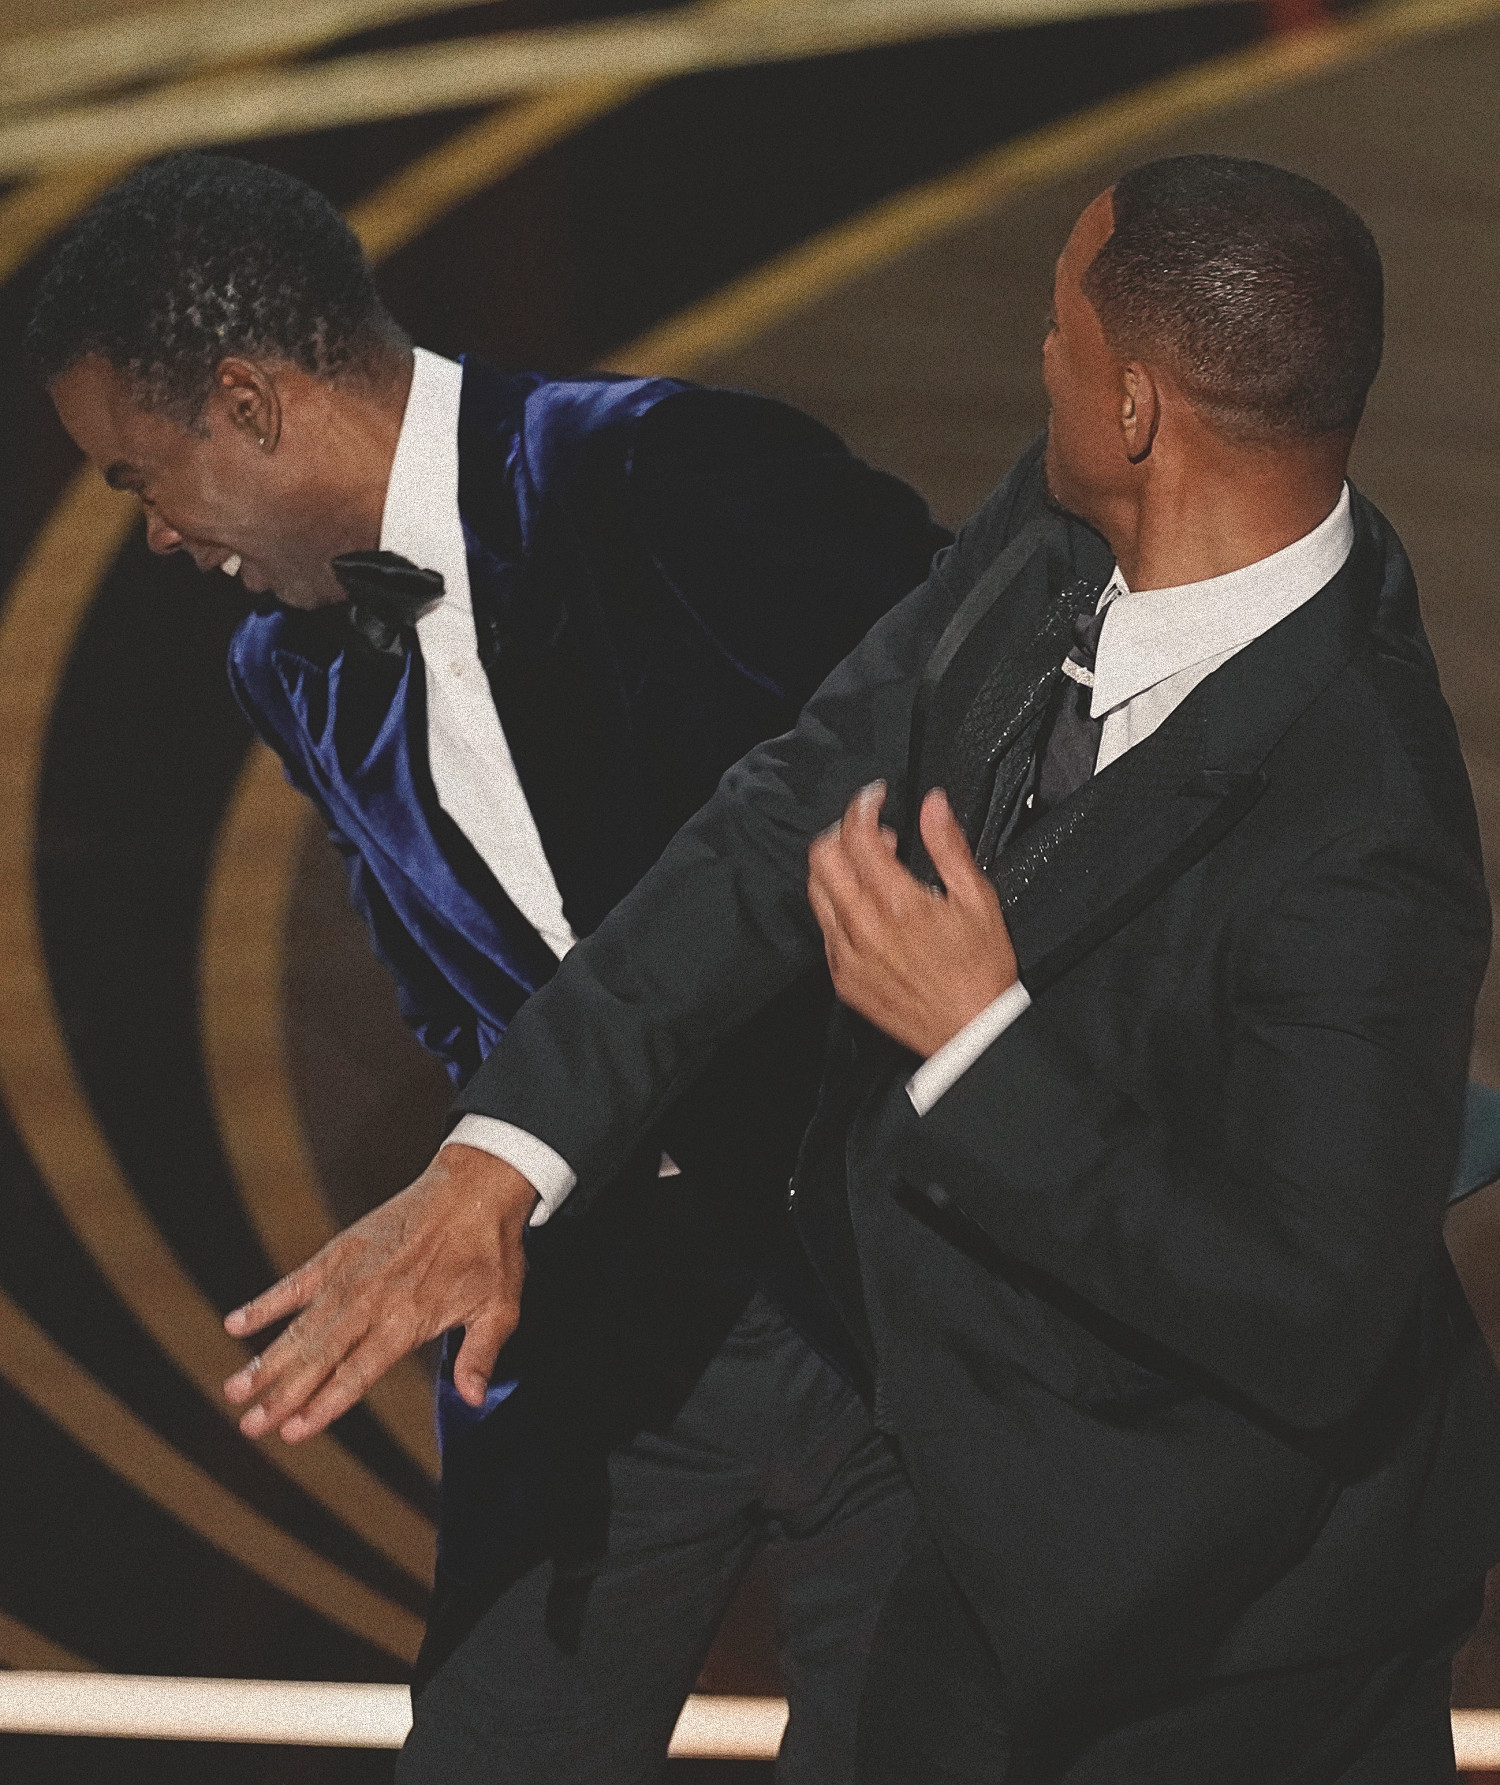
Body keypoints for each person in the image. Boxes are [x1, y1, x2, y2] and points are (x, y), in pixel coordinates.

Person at [210, 154, 1500, 1780]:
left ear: (1138, 407)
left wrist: (979, 1044)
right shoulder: (1058, 533)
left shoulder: (1367, 824)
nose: (1036, 354)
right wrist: (500, 1158)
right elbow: (787, 808)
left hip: (1228, 1632)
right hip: (969, 1538)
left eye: (1057, 329)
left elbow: (1308, 1313)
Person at [28, 152, 951, 1783]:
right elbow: (451, 988)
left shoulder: (665, 470)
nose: (156, 533)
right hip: (594, 1311)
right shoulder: (285, 664)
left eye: (139, 477)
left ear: (247, 402)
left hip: (885, 1286)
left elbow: (988, 759)